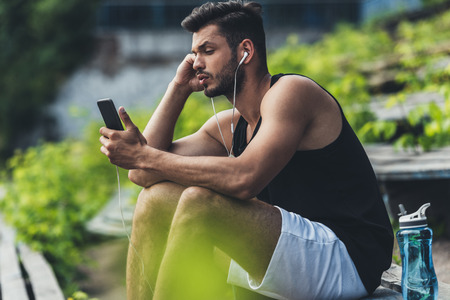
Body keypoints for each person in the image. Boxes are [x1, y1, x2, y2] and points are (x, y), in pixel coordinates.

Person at [99, 1, 394, 299]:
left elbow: (245, 177)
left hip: (347, 259)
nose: (196, 63)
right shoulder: (229, 126)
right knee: (155, 199)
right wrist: (178, 87)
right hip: (290, 250)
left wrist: (144, 155)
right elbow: (141, 173)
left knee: (201, 202)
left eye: (208, 51)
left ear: (245, 52)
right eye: (193, 54)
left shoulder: (291, 92)